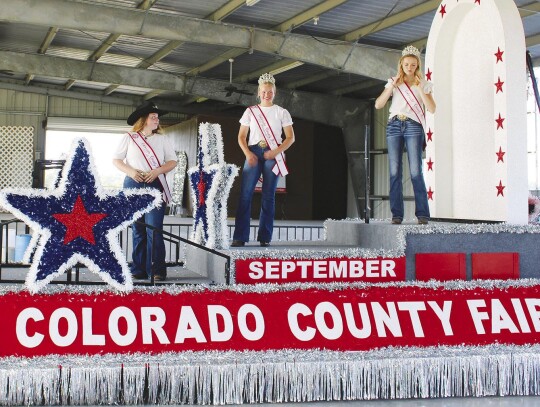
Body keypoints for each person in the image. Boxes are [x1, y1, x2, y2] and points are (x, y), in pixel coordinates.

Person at [112, 101, 177, 280]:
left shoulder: (163, 139)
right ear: (144, 120)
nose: (157, 120)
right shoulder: (129, 137)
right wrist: (131, 171)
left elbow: (172, 161)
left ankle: (157, 269)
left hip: (155, 184)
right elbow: (117, 160)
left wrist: (157, 171)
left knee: (154, 228)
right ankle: (139, 268)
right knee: (138, 229)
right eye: (153, 117)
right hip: (133, 184)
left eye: (157, 117)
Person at [231, 73, 295, 247]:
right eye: (264, 91)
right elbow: (241, 136)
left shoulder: (282, 112)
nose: (267, 94)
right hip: (253, 151)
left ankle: (265, 236)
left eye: (270, 91)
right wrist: (247, 153)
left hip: (272, 152)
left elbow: (290, 137)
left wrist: (276, 152)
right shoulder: (250, 111)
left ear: (275, 92)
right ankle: (240, 236)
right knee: (245, 194)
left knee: (269, 196)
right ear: (259, 92)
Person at [375, 45, 436, 225]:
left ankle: (423, 214)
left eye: (413, 65)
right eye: (406, 64)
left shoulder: (424, 84)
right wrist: (391, 87)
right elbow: (379, 104)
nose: (409, 68)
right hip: (394, 125)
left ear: (417, 66)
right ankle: (397, 215)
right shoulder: (394, 82)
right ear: (401, 65)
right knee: (394, 172)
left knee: (416, 171)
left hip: (413, 126)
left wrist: (420, 87)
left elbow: (432, 108)